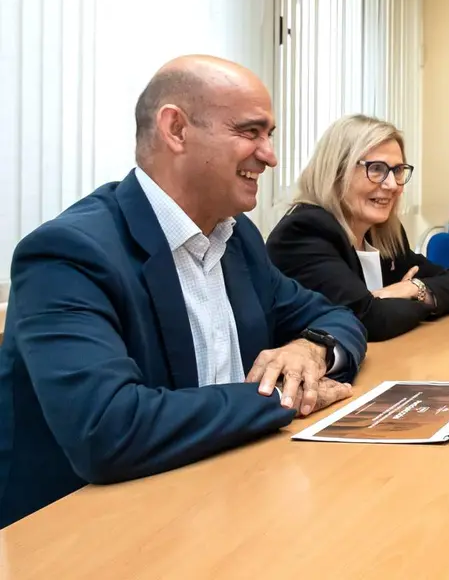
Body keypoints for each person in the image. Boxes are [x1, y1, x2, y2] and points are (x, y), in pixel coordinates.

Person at [0, 55, 368, 528]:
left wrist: (310, 350)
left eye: (269, 135)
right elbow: (109, 430)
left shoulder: (238, 240)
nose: (270, 155)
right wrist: (284, 396)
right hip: (85, 533)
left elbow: (338, 317)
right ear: (176, 129)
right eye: (250, 132)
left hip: (221, 499)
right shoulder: (69, 254)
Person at [265, 114, 449, 342]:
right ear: (336, 172)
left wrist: (412, 289)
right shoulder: (305, 232)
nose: (392, 185)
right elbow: (369, 320)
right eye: (376, 169)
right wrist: (420, 299)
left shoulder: (381, 231)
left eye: (398, 170)